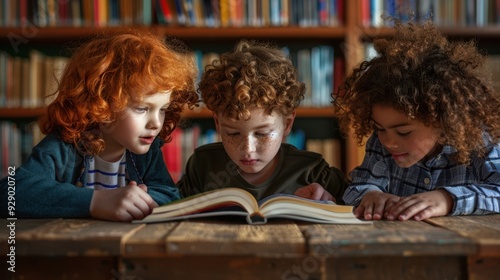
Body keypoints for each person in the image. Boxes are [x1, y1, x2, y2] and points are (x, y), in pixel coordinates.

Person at [0, 31, 199, 221]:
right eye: (141, 109)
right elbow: (9, 192)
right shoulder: (65, 146)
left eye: (162, 109)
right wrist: (95, 201)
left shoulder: (147, 152)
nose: (156, 123)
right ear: (100, 104)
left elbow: (170, 195)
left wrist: (137, 200)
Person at [332, 20, 500, 221]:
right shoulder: (381, 142)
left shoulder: (479, 141)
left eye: (404, 132)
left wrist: (447, 199)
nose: (389, 141)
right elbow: (359, 185)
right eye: (379, 128)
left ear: (441, 120)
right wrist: (371, 194)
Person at [177, 40, 348, 203]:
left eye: (262, 133)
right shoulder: (202, 165)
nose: (247, 149)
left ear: (287, 123)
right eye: (233, 133)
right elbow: (173, 210)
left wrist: (329, 201)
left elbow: (357, 205)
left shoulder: (314, 172)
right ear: (217, 123)